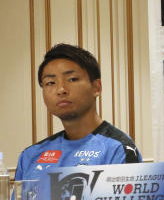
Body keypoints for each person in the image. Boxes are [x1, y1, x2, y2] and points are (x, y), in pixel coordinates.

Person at [15, 44, 141, 181]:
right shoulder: (30, 155)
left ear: (96, 88)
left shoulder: (118, 149)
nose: (61, 89)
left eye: (72, 79)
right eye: (50, 82)